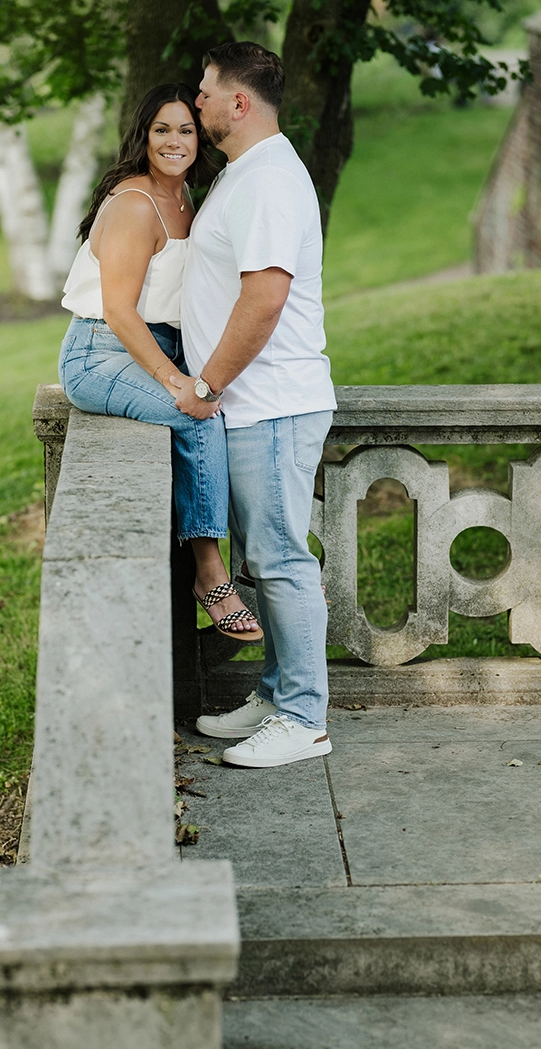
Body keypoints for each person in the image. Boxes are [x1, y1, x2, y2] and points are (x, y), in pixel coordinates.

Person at [56, 83, 262, 644]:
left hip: (161, 347)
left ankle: (258, 556)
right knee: (197, 414)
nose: (175, 141)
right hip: (100, 354)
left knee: (235, 416)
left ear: (201, 137)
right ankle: (210, 573)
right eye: (162, 130)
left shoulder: (188, 199)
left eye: (186, 129)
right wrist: (177, 383)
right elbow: (121, 312)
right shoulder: (133, 203)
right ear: (143, 137)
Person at [185, 42, 339, 769]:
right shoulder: (245, 174)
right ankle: (277, 695)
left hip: (268, 402)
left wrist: (206, 384)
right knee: (265, 558)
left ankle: (305, 718)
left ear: (239, 103)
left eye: (206, 92)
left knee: (280, 560)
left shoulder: (269, 179)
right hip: (252, 407)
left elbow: (265, 298)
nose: (197, 103)